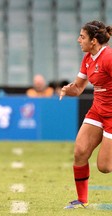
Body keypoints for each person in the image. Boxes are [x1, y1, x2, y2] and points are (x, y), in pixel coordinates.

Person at [60, 20, 112, 209]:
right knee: (80, 152)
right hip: (98, 111)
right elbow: (79, 88)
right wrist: (67, 90)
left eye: (82, 37)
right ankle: (82, 200)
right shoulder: (88, 58)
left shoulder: (108, 58)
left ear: (94, 41)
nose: (78, 40)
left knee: (105, 167)